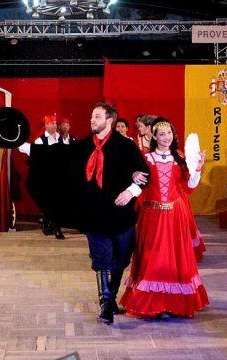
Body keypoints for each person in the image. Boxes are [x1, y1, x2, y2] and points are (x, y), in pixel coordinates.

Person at [20, 102, 149, 324]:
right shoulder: (85, 145)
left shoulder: (126, 146)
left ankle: (112, 297)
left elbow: (144, 174)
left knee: (121, 259)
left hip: (122, 214)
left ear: (110, 121)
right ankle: (105, 304)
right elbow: (58, 154)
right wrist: (24, 146)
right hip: (95, 213)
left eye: (97, 117)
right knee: (101, 259)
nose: (92, 120)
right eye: (91, 116)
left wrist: (130, 192)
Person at [119, 118, 208, 318]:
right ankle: (153, 304)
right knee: (153, 258)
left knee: (175, 260)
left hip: (175, 215)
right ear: (155, 137)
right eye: (162, 134)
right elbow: (139, 183)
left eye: (169, 133)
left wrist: (197, 168)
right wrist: (131, 183)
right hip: (152, 216)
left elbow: (189, 188)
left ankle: (175, 305)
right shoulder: (146, 159)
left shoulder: (180, 158)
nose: (166, 137)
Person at [32, 114, 65, 239]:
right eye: (52, 123)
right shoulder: (39, 141)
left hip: (60, 174)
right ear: (46, 125)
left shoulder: (61, 139)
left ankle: (57, 227)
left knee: (59, 201)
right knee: (49, 201)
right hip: (46, 175)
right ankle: (48, 222)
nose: (54, 125)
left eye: (55, 123)